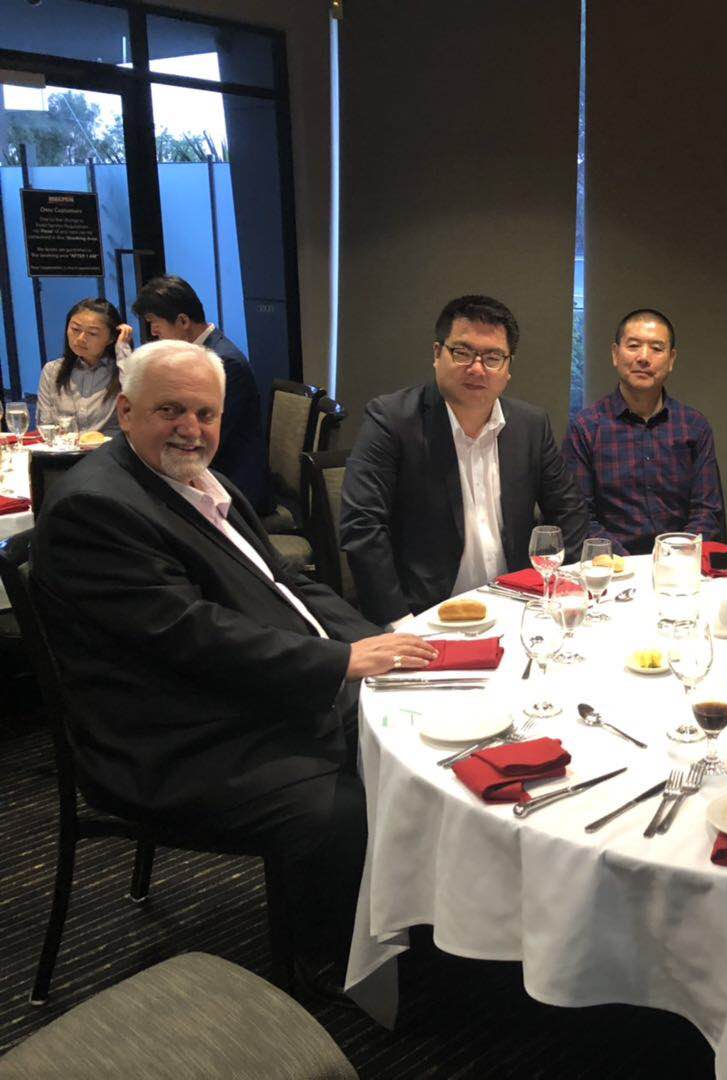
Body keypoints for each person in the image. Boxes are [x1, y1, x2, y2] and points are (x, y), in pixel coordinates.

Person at [31, 339, 436, 991]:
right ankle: (335, 963)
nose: (191, 429)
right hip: (169, 737)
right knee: (350, 803)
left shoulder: (195, 479)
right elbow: (194, 637)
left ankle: (419, 926)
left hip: (232, 692)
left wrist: (380, 644)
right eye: (170, 410)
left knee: (418, 743)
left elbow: (287, 583)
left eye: (206, 413)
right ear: (126, 411)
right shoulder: (98, 507)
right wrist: (339, 663)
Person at [341, 294, 587, 626]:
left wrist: (562, 589)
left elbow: (569, 510)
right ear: (437, 353)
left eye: (493, 357)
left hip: (518, 607)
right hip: (426, 614)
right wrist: (400, 623)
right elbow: (362, 526)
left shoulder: (530, 424)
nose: (477, 368)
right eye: (462, 352)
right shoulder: (392, 420)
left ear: (508, 368)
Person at [564, 308, 724, 555]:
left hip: (681, 563)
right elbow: (581, 517)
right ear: (615, 354)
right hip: (613, 567)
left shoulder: (694, 426)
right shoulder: (585, 428)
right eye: (634, 346)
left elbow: (707, 511)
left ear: (671, 359)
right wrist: (629, 565)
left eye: (657, 349)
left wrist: (674, 557)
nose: (644, 357)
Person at [132, 275, 271, 513]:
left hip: (233, 484)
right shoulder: (200, 354)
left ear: (183, 321)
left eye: (155, 323)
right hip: (207, 470)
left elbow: (207, 438)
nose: (154, 333)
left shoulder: (224, 361)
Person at [36, 298, 133, 437]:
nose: (81, 338)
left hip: (110, 449)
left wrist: (123, 350)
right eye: (75, 329)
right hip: (64, 448)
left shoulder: (122, 370)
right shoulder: (52, 370)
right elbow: (45, 423)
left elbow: (137, 411)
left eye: (92, 333)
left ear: (111, 338)